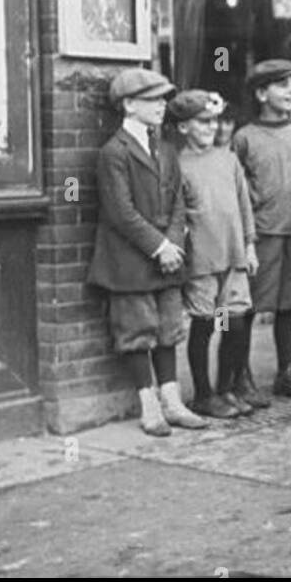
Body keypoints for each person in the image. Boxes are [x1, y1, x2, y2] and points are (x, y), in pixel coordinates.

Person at [87, 69, 200, 437]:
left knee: (168, 328)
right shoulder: (113, 152)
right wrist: (159, 245)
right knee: (137, 331)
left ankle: (172, 400)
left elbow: (179, 200)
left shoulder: (166, 148)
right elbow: (120, 211)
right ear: (129, 105)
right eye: (152, 100)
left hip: (167, 257)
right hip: (129, 259)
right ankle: (148, 405)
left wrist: (175, 243)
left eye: (163, 99)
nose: (162, 106)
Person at [231, 59, 291, 405]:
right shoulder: (244, 138)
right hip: (262, 234)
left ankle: (287, 373)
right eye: (281, 85)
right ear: (260, 93)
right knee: (249, 306)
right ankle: (240, 376)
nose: (290, 91)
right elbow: (236, 190)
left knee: (289, 306)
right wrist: (246, 237)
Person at [170, 89, 258, 419]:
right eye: (202, 121)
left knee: (234, 324)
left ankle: (226, 388)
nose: (211, 127)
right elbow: (178, 215)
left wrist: (249, 243)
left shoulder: (228, 158)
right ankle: (203, 394)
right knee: (205, 326)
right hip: (204, 263)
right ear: (183, 128)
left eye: (214, 120)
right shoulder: (179, 166)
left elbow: (243, 203)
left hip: (233, 259)